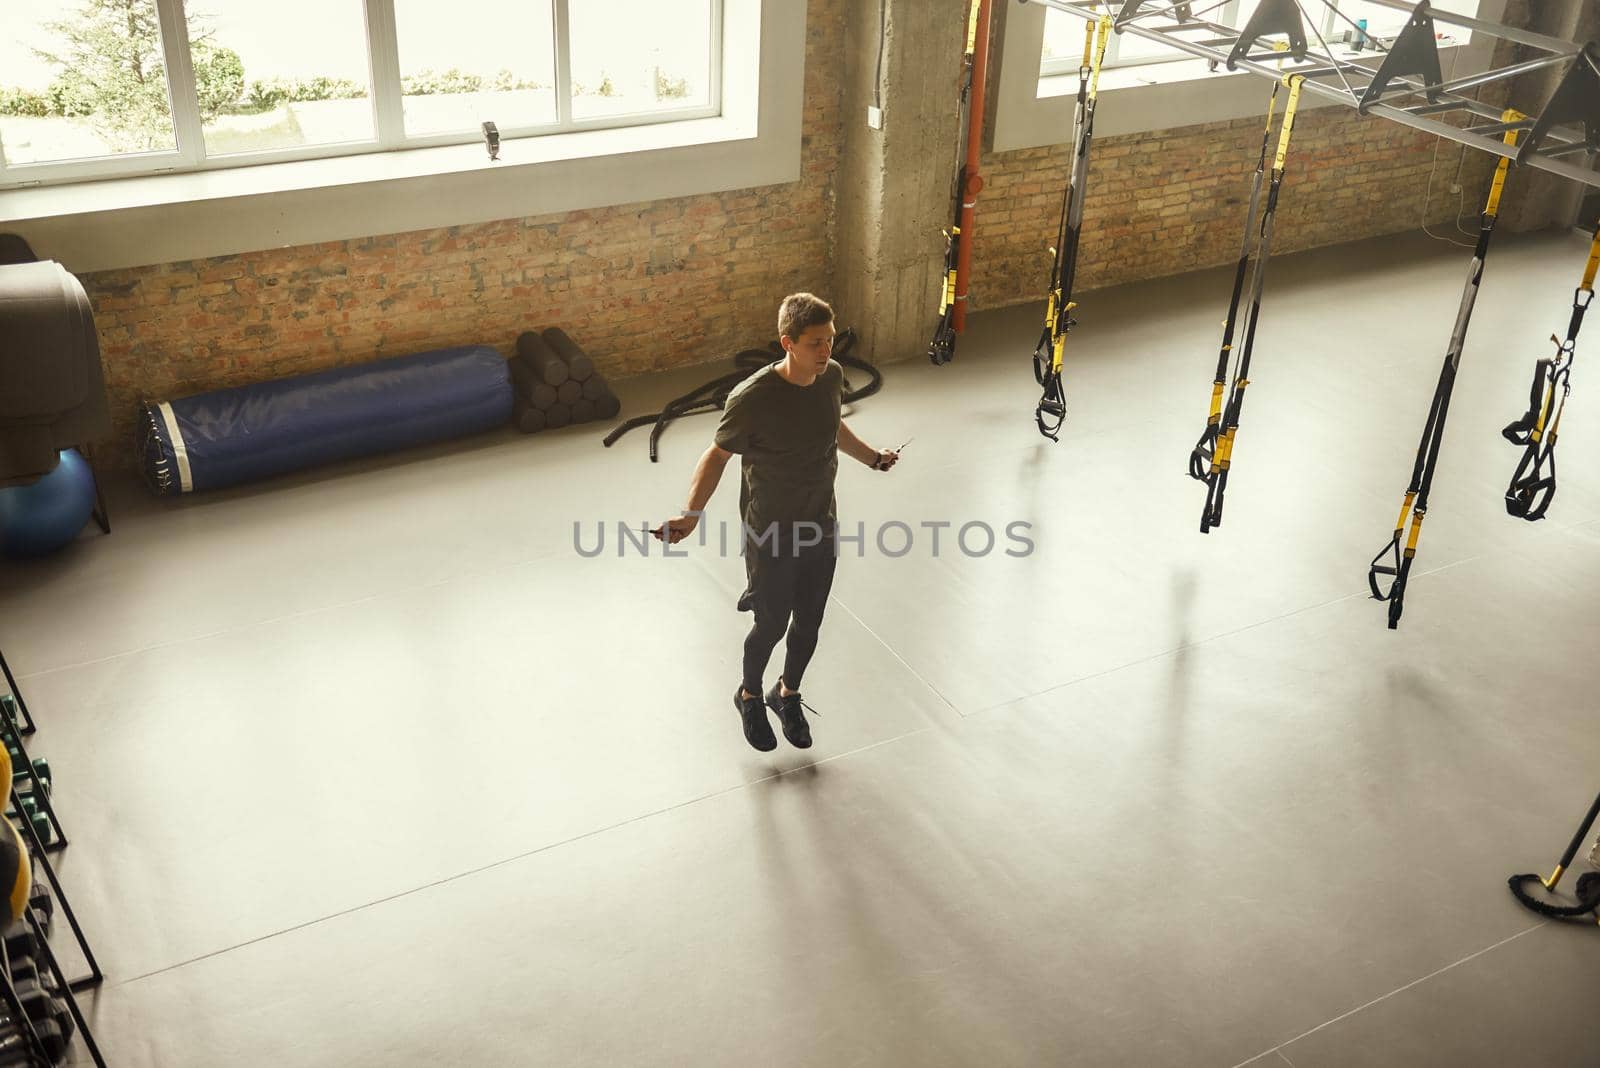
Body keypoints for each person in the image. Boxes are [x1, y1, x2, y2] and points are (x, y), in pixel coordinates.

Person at [653, 294, 899, 752]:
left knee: (809, 621)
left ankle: (785, 693)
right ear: (788, 343)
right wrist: (690, 515)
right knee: (770, 624)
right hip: (771, 530)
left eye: (829, 340)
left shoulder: (833, 378)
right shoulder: (751, 398)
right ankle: (748, 694)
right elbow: (716, 455)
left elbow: (833, 426)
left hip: (820, 522)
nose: (826, 351)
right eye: (814, 343)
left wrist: (872, 459)